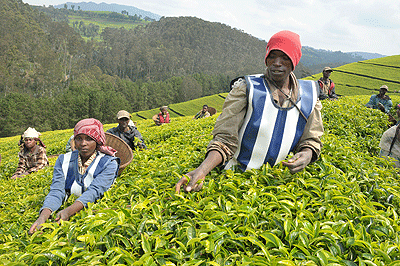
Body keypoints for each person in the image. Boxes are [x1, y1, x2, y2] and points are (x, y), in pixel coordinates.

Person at [176, 30, 323, 193]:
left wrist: (307, 154)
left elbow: (311, 139)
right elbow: (225, 138)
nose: (277, 63)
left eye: (285, 57)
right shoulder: (247, 88)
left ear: (294, 61)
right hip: (237, 179)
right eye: (272, 56)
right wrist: (202, 170)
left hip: (281, 184)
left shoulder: (309, 95)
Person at [28, 118, 120, 235]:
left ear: (97, 140)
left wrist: (68, 211)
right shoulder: (63, 160)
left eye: (89, 139)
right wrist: (43, 216)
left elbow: (95, 191)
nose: (83, 143)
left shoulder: (109, 162)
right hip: (68, 213)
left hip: (97, 217)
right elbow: (57, 190)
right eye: (78, 139)